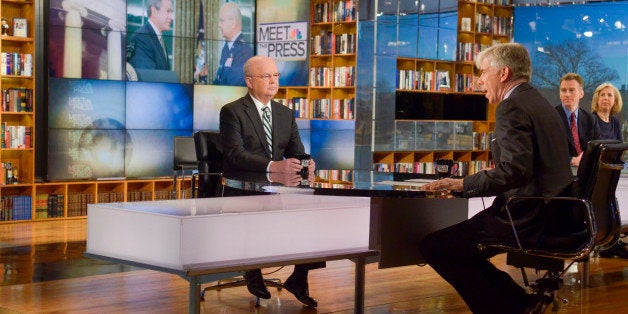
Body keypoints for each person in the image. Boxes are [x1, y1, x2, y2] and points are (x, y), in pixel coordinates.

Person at [419, 43, 574, 313]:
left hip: (525, 218)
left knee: (436, 247)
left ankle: (511, 307)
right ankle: (520, 304)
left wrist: (463, 183)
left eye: (483, 72)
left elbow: (515, 171)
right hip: (554, 213)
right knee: (459, 248)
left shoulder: (511, 107)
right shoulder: (543, 105)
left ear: (503, 73)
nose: (479, 81)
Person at [219, 56, 322, 307]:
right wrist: (273, 166)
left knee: (316, 215)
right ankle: (251, 269)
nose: (273, 81)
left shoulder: (285, 114)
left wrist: (306, 162)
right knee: (255, 215)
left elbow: (297, 151)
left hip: (278, 191)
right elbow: (235, 154)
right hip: (243, 190)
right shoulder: (232, 111)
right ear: (250, 81)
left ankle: (299, 277)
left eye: (276, 76)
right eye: (266, 76)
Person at [590, 82, 628, 259]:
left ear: (615, 100)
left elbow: (620, 146)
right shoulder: (591, 120)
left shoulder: (614, 121)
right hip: (596, 173)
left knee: (612, 203)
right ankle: (601, 242)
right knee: (599, 205)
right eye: (603, 95)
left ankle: (612, 241)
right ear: (597, 98)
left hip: (611, 171)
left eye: (610, 95)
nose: (606, 98)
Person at [554, 73, 600, 167]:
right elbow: (547, 149)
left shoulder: (591, 119)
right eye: (563, 90)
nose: (567, 94)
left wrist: (585, 157)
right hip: (560, 170)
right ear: (559, 94)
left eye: (572, 90)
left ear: (581, 93)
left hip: (585, 169)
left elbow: (597, 147)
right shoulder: (551, 117)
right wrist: (571, 159)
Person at [213, 2, 253, 86]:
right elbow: (219, 79)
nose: (219, 25)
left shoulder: (244, 51)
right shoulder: (226, 48)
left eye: (222, 20)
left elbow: (233, 85)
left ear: (233, 23)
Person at [128, 0, 173, 70]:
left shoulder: (159, 39)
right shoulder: (141, 38)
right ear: (154, 11)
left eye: (171, 12)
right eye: (168, 11)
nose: (171, 17)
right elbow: (148, 77)